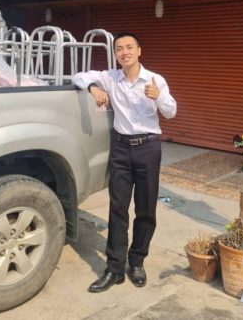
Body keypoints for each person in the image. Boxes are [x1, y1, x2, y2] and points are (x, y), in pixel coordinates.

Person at [72, 32, 177, 293]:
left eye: (129, 47)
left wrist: (158, 96)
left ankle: (137, 261)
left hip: (148, 148)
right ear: (116, 54)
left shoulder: (155, 80)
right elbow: (78, 76)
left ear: (139, 51)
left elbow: (171, 112)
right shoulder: (110, 77)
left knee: (146, 209)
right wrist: (93, 88)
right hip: (120, 149)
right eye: (119, 48)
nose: (124, 52)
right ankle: (114, 268)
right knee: (117, 209)